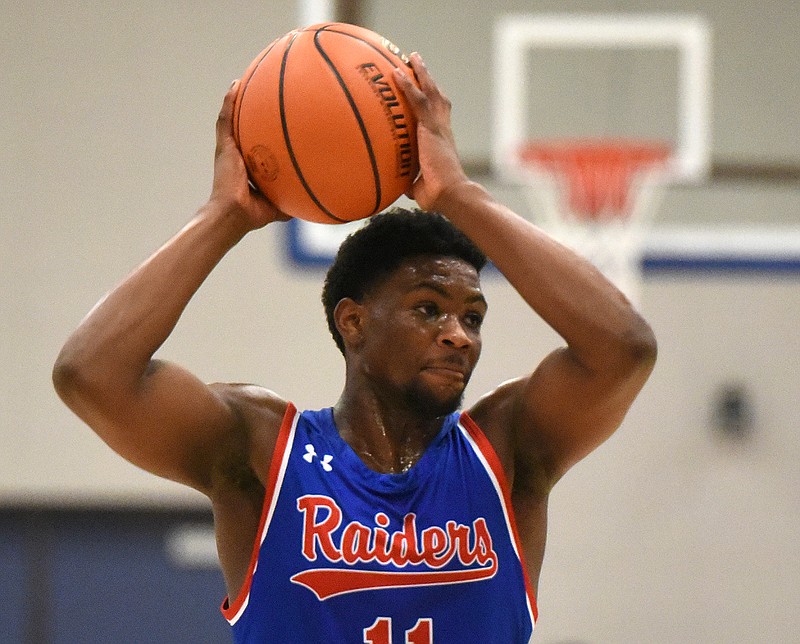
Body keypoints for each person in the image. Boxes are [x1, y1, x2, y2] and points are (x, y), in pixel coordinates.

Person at [53, 52, 656, 643]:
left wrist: (459, 195)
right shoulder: (263, 451)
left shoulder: (509, 449)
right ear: (353, 322)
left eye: (473, 317)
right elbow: (91, 372)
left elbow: (624, 348)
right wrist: (225, 215)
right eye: (429, 309)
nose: (458, 335)